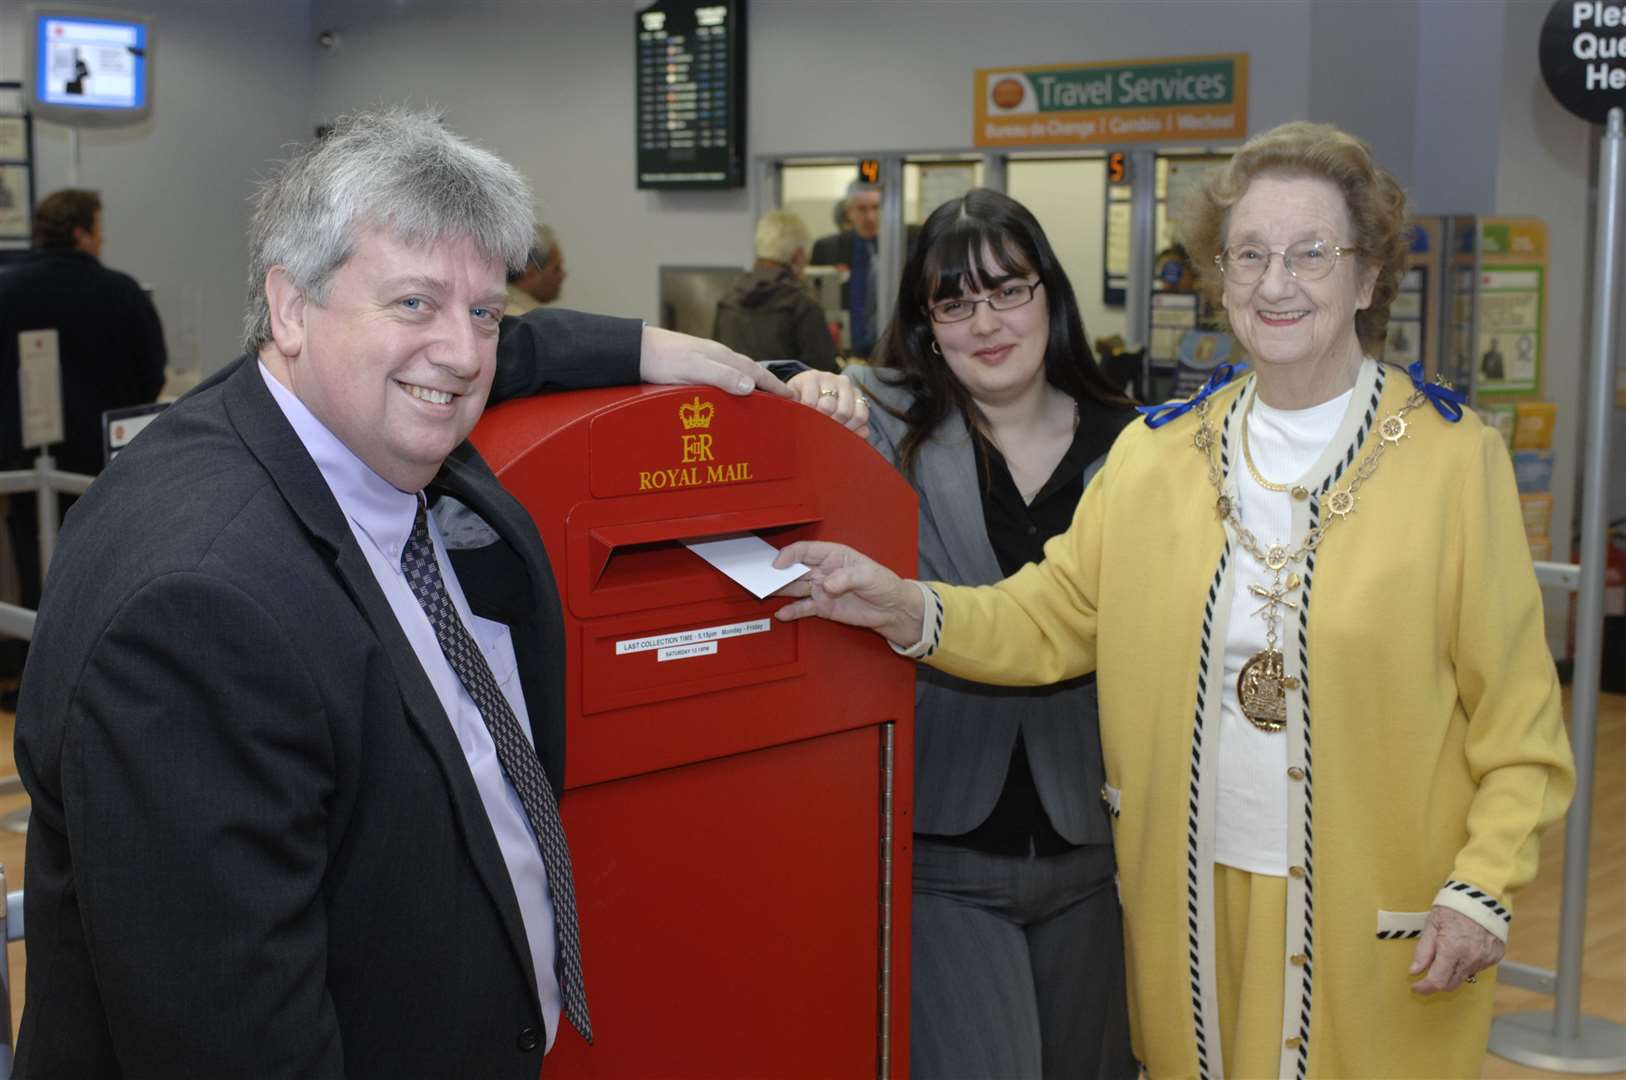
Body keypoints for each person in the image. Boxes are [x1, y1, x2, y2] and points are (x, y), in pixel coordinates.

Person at [12, 107, 864, 1079]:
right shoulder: (201, 608)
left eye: (487, 311)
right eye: (414, 303)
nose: (462, 354)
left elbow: (476, 356)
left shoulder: (306, 415)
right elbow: (233, 1038)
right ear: (289, 307)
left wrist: (649, 351)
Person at [772, 122, 1576, 1078]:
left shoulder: (1454, 462)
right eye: (1250, 255)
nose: (1277, 283)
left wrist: (1483, 885)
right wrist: (907, 607)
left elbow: (1519, 719)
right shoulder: (1157, 454)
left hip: (1375, 914)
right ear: (1221, 279)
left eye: (1312, 253)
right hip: (1189, 903)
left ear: (1367, 278)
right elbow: (1048, 616)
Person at [846, 187, 1137, 1078]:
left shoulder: (1135, 445)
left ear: (1051, 293)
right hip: (940, 851)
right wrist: (799, 378)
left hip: (1095, 856)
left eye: (1008, 291)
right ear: (926, 323)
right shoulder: (882, 424)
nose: (986, 321)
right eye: (955, 302)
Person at [0, 188, 167, 686]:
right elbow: (151, 372)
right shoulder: (121, 292)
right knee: (106, 556)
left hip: (22, 455)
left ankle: (33, 667)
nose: (103, 237)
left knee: (33, 553)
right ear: (81, 232)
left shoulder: (6, 291)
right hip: (103, 454)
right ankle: (100, 666)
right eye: (99, 226)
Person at [713, 209, 838, 372]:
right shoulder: (803, 307)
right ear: (799, 256)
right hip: (783, 396)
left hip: (734, 395)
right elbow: (823, 373)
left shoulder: (727, 301)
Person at [810, 180, 885, 358]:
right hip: (844, 351)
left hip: (890, 351)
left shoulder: (904, 247)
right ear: (849, 212)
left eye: (876, 207)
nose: (870, 217)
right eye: (862, 209)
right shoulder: (827, 249)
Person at [506, 222, 566, 315]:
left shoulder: (490, 308)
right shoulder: (525, 320)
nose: (563, 275)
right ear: (530, 273)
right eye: (556, 269)